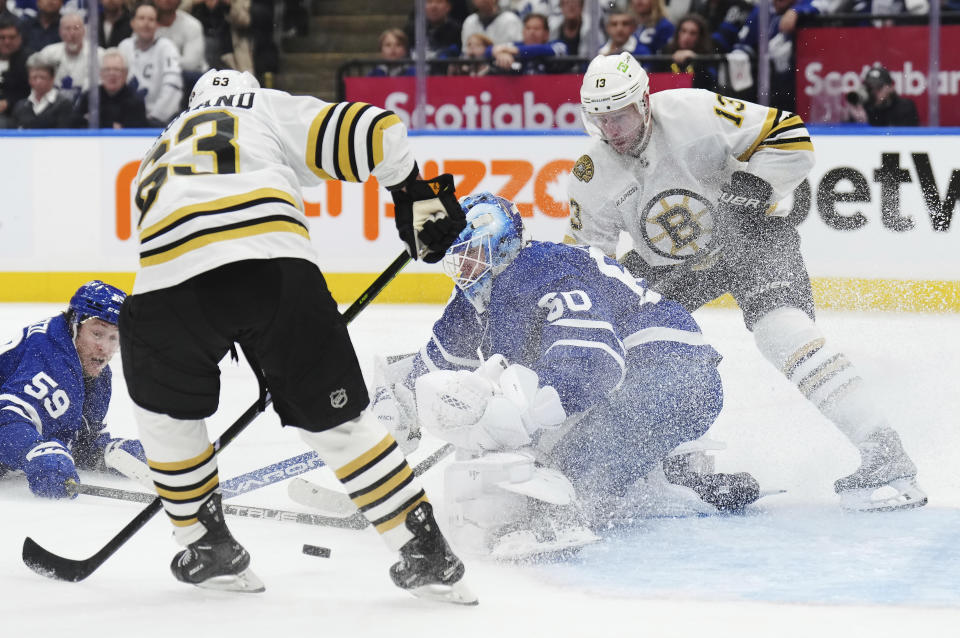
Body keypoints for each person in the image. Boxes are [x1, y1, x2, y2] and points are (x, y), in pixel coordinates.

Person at [119, 68, 475, 604]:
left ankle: (204, 542)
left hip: (165, 285)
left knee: (167, 418)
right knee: (339, 422)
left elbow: (192, 244)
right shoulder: (261, 109)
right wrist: (411, 191)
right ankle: (424, 550)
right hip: (275, 271)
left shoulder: (159, 147)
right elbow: (378, 131)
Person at [566, 52, 927, 514]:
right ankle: (669, 465)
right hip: (667, 264)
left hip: (749, 235)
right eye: (600, 119)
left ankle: (885, 453)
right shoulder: (590, 175)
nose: (612, 130)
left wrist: (759, 184)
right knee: (627, 345)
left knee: (785, 334)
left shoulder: (696, 111)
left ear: (645, 101)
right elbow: (587, 262)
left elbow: (791, 134)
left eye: (619, 115)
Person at [368, 192, 761, 558]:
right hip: (635, 381)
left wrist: (524, 420)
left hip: (674, 376)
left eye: (472, 255)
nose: (464, 267)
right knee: (549, 442)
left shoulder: (542, 269)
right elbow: (440, 361)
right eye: (459, 258)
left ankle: (557, 519)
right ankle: (677, 478)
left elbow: (594, 361)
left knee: (566, 467)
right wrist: (397, 400)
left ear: (501, 244)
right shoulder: (480, 291)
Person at [0, 281, 148, 499]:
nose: (104, 348)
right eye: (97, 333)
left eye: (114, 338)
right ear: (74, 324)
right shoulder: (51, 357)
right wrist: (33, 450)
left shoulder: (93, 371)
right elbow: (6, 416)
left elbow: (79, 442)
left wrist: (107, 453)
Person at [118, 1, 182, 126]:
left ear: (157, 25)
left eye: (151, 19)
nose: (146, 23)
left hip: (158, 121)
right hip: (127, 119)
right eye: (141, 18)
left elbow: (173, 87)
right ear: (132, 23)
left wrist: (154, 118)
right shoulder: (124, 47)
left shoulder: (167, 47)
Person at [71, 48, 148, 128]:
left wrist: (93, 121)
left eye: (117, 70)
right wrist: (111, 125)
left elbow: (134, 133)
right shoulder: (90, 97)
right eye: (107, 70)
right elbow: (74, 124)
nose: (111, 74)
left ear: (126, 74)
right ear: (101, 73)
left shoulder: (136, 101)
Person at [38, 8, 104, 101]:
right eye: (67, 28)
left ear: (84, 31)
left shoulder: (98, 54)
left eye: (76, 28)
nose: (72, 33)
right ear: (60, 32)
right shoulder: (48, 53)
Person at [487, 12, 568, 74]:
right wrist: (498, 53)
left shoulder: (556, 45)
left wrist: (514, 50)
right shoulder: (515, 46)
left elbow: (543, 49)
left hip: (551, 93)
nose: (531, 32)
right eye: (528, 28)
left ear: (546, 34)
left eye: (536, 28)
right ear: (523, 32)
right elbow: (487, 50)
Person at [655, 13, 717, 90]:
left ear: (700, 37)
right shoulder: (666, 51)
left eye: (693, 33)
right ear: (678, 33)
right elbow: (655, 78)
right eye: (683, 31)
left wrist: (696, 59)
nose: (686, 37)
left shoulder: (706, 57)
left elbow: (710, 82)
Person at [11, 52, 73, 128]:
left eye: (42, 77)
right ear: (29, 79)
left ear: (52, 78)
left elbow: (64, 134)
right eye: (34, 77)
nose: (38, 82)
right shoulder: (20, 107)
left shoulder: (64, 104)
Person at [844, 65, 920, 127]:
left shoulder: (905, 106)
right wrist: (854, 120)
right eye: (869, 88)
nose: (874, 92)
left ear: (891, 88)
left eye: (878, 87)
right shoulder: (863, 107)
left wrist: (868, 121)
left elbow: (904, 137)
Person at [0, 15, 32, 129]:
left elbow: (32, 91)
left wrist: (8, 103)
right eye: (2, 37)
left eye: (11, 37)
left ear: (20, 38)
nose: (7, 42)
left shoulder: (30, 60)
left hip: (19, 112)